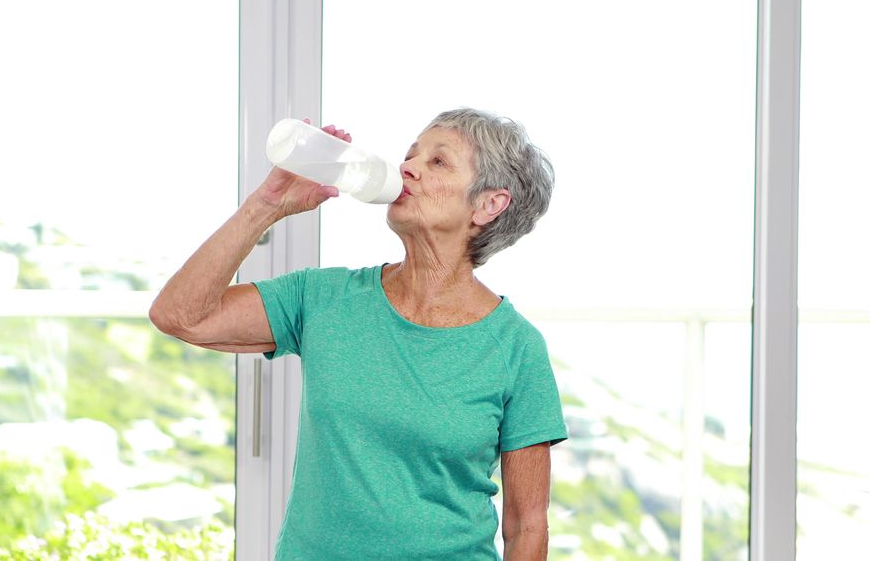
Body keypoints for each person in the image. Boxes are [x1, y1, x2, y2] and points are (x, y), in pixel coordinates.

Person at [150, 107, 568, 560]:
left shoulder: (516, 348)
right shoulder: (323, 297)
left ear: (489, 204)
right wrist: (266, 206)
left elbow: (527, 527)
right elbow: (179, 314)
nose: (407, 167)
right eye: (411, 155)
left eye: (437, 162)